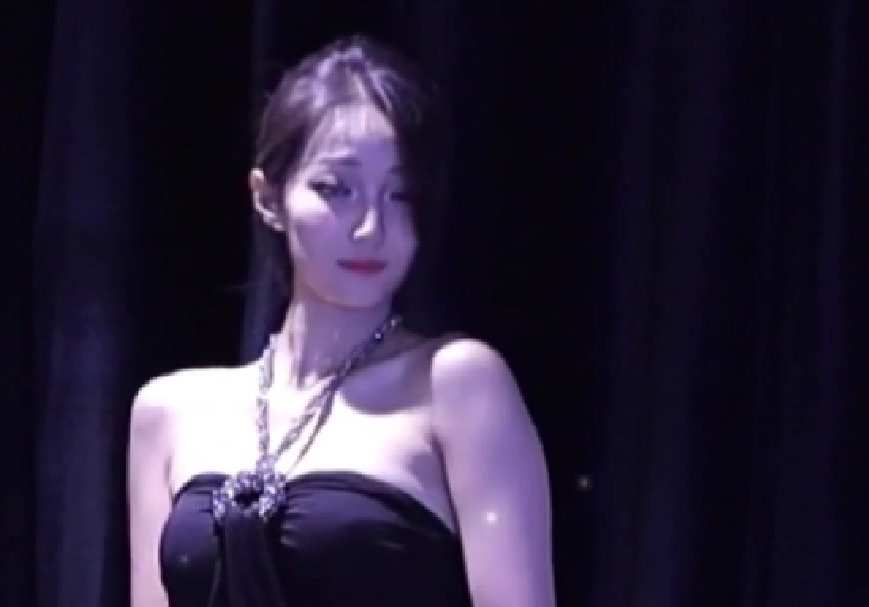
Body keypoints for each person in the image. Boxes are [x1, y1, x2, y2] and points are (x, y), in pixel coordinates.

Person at [127, 33, 556, 607]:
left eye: (401, 195)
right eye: (337, 189)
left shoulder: (456, 384)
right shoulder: (170, 411)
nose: (371, 227)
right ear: (268, 197)